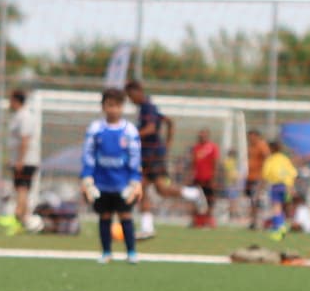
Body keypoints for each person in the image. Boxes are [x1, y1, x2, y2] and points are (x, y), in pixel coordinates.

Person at [123, 80, 203, 239]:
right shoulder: (147, 108)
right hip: (148, 154)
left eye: (131, 96)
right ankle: (147, 227)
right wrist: (167, 143)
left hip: (152, 155)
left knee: (150, 188)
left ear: (138, 91)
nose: (130, 100)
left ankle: (193, 193)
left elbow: (151, 128)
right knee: (151, 189)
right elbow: (168, 121)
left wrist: (130, 136)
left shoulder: (148, 107)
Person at [80, 88, 142, 263]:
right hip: (101, 182)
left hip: (123, 183)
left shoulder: (129, 130)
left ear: (122, 107)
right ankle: (106, 252)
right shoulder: (95, 129)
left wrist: (135, 180)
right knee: (105, 216)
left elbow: (135, 157)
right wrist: (87, 177)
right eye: (109, 105)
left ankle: (131, 252)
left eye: (116, 106)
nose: (113, 109)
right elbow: (88, 154)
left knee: (125, 216)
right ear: (103, 107)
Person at [0, 89, 41, 235]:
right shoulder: (18, 116)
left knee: (22, 189)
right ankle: (25, 221)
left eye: (11, 100)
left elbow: (24, 140)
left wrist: (20, 160)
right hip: (20, 160)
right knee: (21, 189)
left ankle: (18, 218)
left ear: (16, 101)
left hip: (26, 160)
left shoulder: (25, 116)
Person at [261, 140, 298, 241]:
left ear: (271, 149)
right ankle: (286, 226)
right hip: (287, 186)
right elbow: (293, 173)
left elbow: (265, 175)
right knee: (287, 208)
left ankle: (280, 228)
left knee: (277, 207)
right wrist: (292, 187)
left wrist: (261, 188)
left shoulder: (270, 160)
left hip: (276, 186)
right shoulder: (285, 159)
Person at [188, 128, 220, 227]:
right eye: (200, 134)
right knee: (195, 199)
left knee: (210, 200)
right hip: (197, 178)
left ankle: (208, 221)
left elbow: (215, 163)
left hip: (208, 178)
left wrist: (214, 178)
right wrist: (190, 176)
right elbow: (193, 163)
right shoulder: (196, 148)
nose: (202, 136)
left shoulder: (212, 147)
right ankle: (196, 221)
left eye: (204, 134)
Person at [244, 129, 271, 231]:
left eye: (252, 136)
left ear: (257, 136)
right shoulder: (250, 147)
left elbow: (267, 159)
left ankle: (259, 222)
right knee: (252, 200)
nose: (250, 138)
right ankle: (253, 221)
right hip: (250, 177)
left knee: (258, 200)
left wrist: (264, 177)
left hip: (259, 178)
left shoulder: (262, 146)